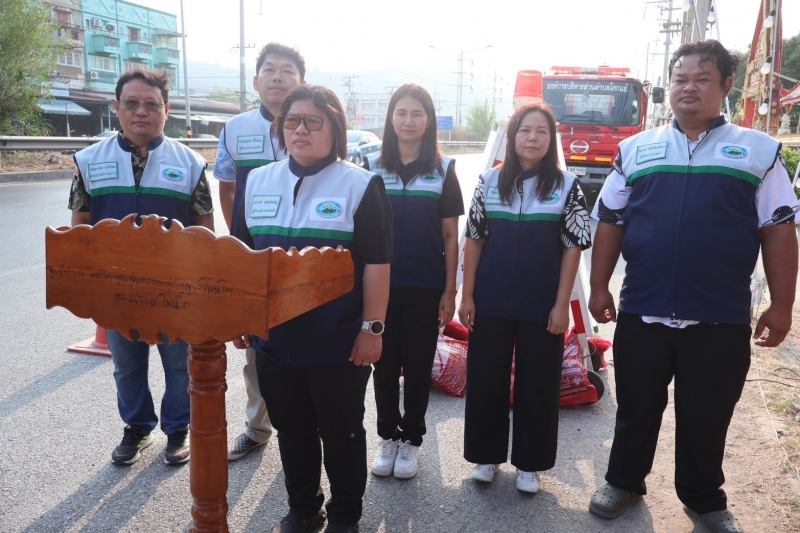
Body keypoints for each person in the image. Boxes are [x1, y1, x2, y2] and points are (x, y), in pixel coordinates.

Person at [587, 40, 799, 533]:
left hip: (719, 315)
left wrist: (783, 304)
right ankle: (624, 481)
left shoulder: (758, 151)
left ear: (726, 86)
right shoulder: (635, 149)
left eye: (702, 79)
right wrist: (599, 286)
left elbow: (779, 229)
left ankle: (704, 496)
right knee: (636, 406)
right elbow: (611, 220)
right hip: (643, 308)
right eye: (681, 78)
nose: (689, 87)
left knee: (708, 414)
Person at [232, 84, 392, 533]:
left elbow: (378, 264)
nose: (300, 129)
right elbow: (241, 256)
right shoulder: (257, 181)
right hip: (273, 341)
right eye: (291, 121)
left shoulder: (360, 185)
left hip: (337, 342)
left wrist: (372, 329)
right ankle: (304, 508)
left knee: (342, 433)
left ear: (334, 128)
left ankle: (344, 515)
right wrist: (241, 315)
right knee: (292, 429)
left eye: (312, 121)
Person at [68, 67, 214, 465]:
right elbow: (79, 229)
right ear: (117, 108)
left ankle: (177, 428)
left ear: (166, 110)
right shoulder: (89, 161)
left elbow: (205, 231)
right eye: (132, 103)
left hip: (175, 289)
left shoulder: (190, 164)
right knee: (127, 365)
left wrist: (200, 286)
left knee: (178, 365)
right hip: (114, 288)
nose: (141, 111)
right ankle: (137, 427)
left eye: (151, 104)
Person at [458, 102, 591, 493]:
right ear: (512, 136)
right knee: (486, 379)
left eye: (542, 131)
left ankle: (530, 464)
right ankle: (486, 456)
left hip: (542, 303)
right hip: (491, 300)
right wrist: (468, 296)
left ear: (551, 140)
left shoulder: (567, 186)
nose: (533, 138)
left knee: (539, 383)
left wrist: (562, 305)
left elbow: (573, 247)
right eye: (525, 130)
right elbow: (474, 239)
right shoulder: (488, 182)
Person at [363, 84, 463, 480]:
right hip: (379, 288)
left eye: (417, 113)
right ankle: (388, 436)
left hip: (425, 286)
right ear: (391, 118)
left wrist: (450, 289)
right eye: (401, 112)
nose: (408, 120)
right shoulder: (370, 165)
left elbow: (451, 236)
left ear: (428, 120)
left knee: (419, 367)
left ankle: (412, 440)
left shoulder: (444, 169)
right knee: (384, 365)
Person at [213, 43, 305, 461]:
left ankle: (305, 430)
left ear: (301, 81)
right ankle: (257, 427)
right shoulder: (235, 129)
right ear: (256, 81)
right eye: (269, 70)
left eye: (287, 70)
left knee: (305, 341)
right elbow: (227, 188)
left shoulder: (315, 124)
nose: (278, 77)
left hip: (304, 255)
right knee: (255, 347)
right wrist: (242, 242)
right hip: (252, 257)